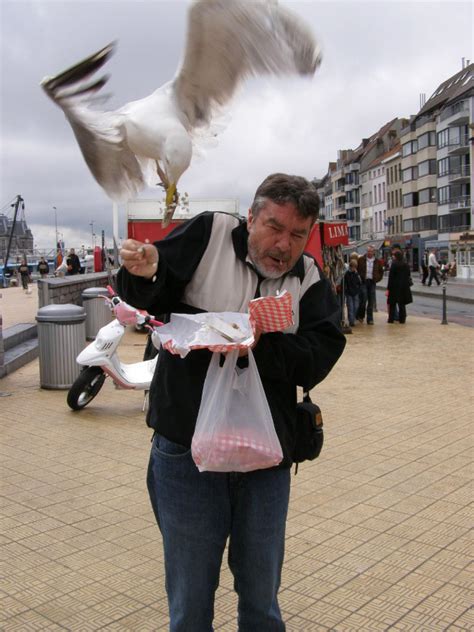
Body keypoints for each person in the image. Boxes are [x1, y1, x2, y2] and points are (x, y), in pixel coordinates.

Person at [118, 173, 346, 631]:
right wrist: (144, 271)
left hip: (265, 456)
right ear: (251, 217)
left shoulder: (309, 278)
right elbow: (151, 292)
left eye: (298, 234)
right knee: (190, 597)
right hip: (186, 451)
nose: (283, 244)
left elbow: (321, 353)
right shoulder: (210, 233)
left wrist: (261, 342)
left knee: (262, 597)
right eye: (273, 226)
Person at [356, 244, 384, 325]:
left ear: (373, 252)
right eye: (368, 251)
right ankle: (361, 315)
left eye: (371, 251)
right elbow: (357, 270)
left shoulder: (377, 261)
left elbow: (381, 272)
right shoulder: (361, 259)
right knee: (363, 299)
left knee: (371, 301)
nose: (369, 253)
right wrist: (359, 279)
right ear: (366, 251)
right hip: (364, 282)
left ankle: (370, 319)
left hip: (372, 282)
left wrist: (377, 279)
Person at [387, 250, 413, 324]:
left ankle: (391, 319)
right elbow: (408, 274)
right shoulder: (405, 264)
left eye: (394, 255)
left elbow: (391, 277)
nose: (393, 256)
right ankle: (402, 319)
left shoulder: (394, 264)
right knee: (401, 304)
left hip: (394, 287)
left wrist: (388, 288)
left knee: (392, 304)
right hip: (403, 287)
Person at [344, 259, 362, 327]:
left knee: (356, 306)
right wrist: (346, 290)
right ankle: (351, 321)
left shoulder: (357, 274)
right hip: (349, 293)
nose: (353, 268)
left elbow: (360, 282)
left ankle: (353, 318)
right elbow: (345, 283)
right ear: (350, 266)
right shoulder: (347, 274)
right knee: (350, 307)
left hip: (356, 292)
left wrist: (358, 289)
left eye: (355, 267)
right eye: (353, 267)